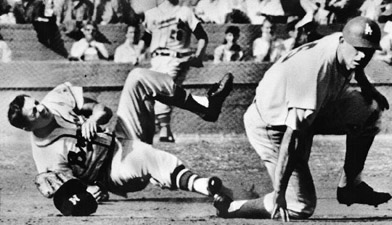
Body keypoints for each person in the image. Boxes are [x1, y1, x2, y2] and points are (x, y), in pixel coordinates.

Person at [213, 16, 392, 221]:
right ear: (343, 42)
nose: (361, 55)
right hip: (272, 125)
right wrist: (280, 193)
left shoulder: (344, 42)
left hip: (308, 108)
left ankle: (351, 186)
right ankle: (231, 206)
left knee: (370, 111)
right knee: (300, 206)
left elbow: (357, 58)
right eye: (357, 48)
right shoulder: (314, 71)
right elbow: (293, 138)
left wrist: (367, 86)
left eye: (368, 51)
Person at [7, 69, 234, 215]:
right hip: (110, 172)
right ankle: (205, 186)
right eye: (34, 112)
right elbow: (70, 198)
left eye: (36, 103)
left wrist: (94, 118)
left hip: (121, 137)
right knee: (146, 157)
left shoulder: (54, 101)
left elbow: (102, 109)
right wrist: (89, 192)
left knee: (137, 77)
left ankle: (205, 105)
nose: (41, 108)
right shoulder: (45, 158)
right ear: (27, 127)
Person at [138, 0, 208, 142]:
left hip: (175, 58)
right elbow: (146, 37)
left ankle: (164, 129)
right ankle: (161, 129)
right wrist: (138, 52)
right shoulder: (151, 13)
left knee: (162, 89)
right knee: (146, 92)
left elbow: (202, 36)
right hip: (156, 59)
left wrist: (198, 56)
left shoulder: (185, 12)